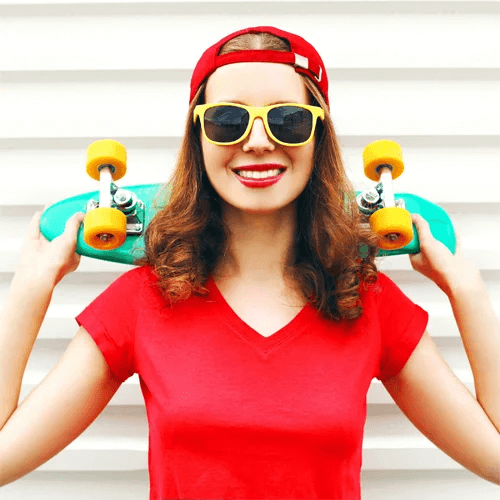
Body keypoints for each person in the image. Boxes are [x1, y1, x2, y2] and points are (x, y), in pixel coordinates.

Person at [1, 26, 494, 500]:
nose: (257, 141)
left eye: (287, 120)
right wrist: (31, 289)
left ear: (318, 139)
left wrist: (466, 293)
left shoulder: (369, 303)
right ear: (199, 139)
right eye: (228, 120)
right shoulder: (140, 301)